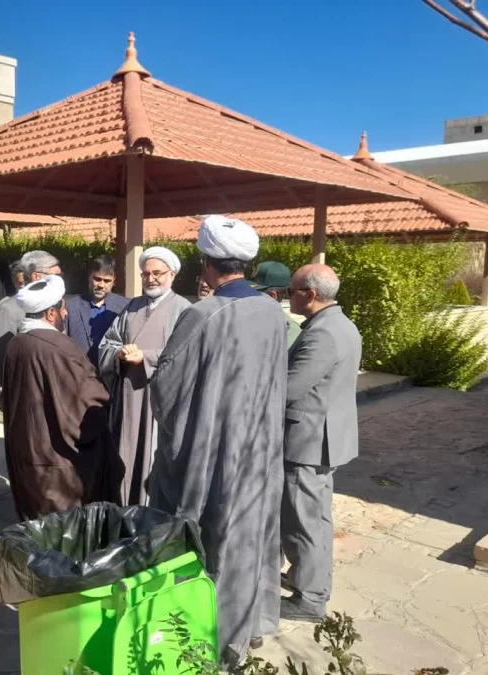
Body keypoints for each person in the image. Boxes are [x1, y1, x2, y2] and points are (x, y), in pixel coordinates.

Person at [149, 216, 287, 665]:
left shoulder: (204, 313)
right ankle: (251, 625)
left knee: (210, 536)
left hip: (214, 450)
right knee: (252, 532)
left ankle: (213, 639)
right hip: (261, 446)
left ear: (206, 263)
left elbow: (166, 383)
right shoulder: (271, 310)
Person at [280, 264, 362, 622]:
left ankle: (310, 598)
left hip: (309, 441)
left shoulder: (323, 334)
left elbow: (290, 388)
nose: (287, 296)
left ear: (309, 295)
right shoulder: (339, 325)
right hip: (321, 437)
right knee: (314, 517)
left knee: (304, 521)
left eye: (291, 291)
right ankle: (306, 578)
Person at [1, 276, 119, 519]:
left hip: (27, 453)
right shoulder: (60, 347)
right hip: (57, 461)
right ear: (52, 313)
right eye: (63, 308)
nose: (66, 314)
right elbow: (88, 405)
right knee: (64, 534)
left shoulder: (15, 344)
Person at [97, 246, 191, 506]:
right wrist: (119, 353)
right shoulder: (132, 307)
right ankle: (121, 508)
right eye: (145, 274)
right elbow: (107, 343)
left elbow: (186, 353)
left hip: (158, 400)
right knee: (122, 455)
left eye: (157, 273)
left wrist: (147, 357)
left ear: (172, 275)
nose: (151, 279)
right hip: (127, 397)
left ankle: (147, 513)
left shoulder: (183, 309)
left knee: (150, 458)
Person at [0, 250, 62, 385]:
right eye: (56, 276)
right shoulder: (9, 309)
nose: (60, 280)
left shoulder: (55, 305)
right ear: (36, 277)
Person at [65, 256, 128, 367]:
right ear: (89, 277)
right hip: (79, 374)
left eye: (107, 281)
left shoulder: (125, 306)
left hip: (114, 374)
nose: (101, 285)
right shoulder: (70, 306)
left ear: (114, 280)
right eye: (97, 279)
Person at [249, 261, 303, 347]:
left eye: (254, 292)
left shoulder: (288, 331)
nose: (247, 295)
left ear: (272, 296)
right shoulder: (249, 320)